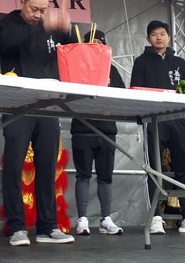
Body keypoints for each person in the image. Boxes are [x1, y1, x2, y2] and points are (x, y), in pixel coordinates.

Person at [0, 0, 75, 246]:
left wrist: (66, 29)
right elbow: (6, 43)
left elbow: (72, 50)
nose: (38, 15)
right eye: (33, 9)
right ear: (22, 2)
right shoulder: (7, 25)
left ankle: (47, 226)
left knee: (48, 166)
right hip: (17, 104)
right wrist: (44, 27)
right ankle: (17, 227)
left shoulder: (50, 27)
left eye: (43, 10)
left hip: (48, 104)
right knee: (14, 165)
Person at [130, 20, 185, 234]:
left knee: (183, 167)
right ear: (148, 38)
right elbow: (134, 91)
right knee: (153, 167)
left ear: (169, 37)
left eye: (162, 34)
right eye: (154, 34)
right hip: (153, 120)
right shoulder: (141, 62)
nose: (159, 38)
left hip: (178, 119)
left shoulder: (179, 62)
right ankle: (155, 217)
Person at [72, 31, 125, 236]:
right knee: (83, 175)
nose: (96, 46)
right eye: (91, 43)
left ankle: (106, 219)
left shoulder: (112, 69)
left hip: (106, 130)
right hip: (82, 129)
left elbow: (122, 95)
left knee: (105, 176)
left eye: (99, 43)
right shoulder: (78, 67)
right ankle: (82, 219)